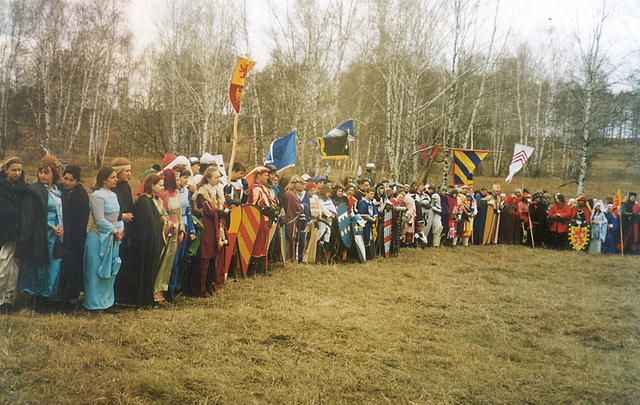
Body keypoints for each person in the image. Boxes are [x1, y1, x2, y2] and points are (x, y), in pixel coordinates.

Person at [17, 156, 65, 301]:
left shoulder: (56, 190)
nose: (42, 176)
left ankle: (48, 295)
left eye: (46, 173)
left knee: (54, 264)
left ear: (54, 175)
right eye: (41, 172)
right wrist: (50, 227)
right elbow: (30, 217)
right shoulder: (34, 191)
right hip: (42, 233)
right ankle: (36, 296)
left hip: (57, 233)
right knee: (40, 264)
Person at [121, 174, 165, 306]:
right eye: (160, 185)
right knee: (143, 271)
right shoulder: (144, 201)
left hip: (151, 243)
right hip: (144, 244)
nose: (162, 188)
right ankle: (141, 299)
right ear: (152, 185)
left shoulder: (151, 201)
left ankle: (147, 298)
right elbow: (143, 225)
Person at [83, 167, 123, 313]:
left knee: (110, 269)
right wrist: (114, 230)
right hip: (99, 238)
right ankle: (94, 304)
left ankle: (106, 302)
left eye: (116, 177)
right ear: (104, 179)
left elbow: (117, 216)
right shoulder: (97, 196)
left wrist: (120, 229)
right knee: (95, 270)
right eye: (113, 177)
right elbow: (99, 219)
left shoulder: (114, 195)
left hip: (112, 237)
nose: (116, 180)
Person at [191, 166, 226, 296]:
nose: (218, 179)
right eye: (216, 177)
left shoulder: (216, 190)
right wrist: (221, 212)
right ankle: (200, 287)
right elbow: (209, 211)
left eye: (218, 177)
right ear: (208, 178)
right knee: (205, 255)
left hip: (215, 225)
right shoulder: (202, 192)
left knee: (213, 255)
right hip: (206, 226)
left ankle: (210, 284)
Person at [57, 166, 90, 302]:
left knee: (74, 265)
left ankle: (73, 295)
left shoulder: (81, 195)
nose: (67, 182)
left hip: (76, 236)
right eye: (65, 178)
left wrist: (73, 237)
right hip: (60, 232)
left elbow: (82, 219)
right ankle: (59, 294)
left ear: (77, 181)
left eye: (71, 180)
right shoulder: (59, 190)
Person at [0, 157, 26, 312]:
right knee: (3, 267)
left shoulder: (23, 189)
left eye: (19, 170)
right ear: (6, 170)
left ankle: (8, 301)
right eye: (13, 170)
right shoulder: (2, 187)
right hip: (3, 232)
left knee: (13, 269)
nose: (17, 173)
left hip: (17, 233)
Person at [167, 167, 196, 300]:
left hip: (185, 226)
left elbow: (188, 211)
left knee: (180, 259)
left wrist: (192, 229)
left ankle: (175, 287)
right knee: (173, 260)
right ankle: (168, 289)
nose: (186, 181)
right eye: (184, 178)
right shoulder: (171, 193)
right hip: (174, 227)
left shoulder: (186, 192)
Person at [153, 169, 182, 303]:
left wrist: (181, 229)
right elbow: (162, 214)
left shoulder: (176, 192)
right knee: (163, 258)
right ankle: (157, 288)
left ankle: (165, 288)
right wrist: (170, 226)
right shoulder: (163, 194)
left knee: (171, 260)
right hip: (167, 228)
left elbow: (179, 213)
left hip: (176, 228)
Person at [247, 166, 277, 272]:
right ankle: (253, 270)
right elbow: (253, 206)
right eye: (265, 175)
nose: (267, 177)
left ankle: (262, 269)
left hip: (267, 219)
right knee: (258, 244)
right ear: (258, 176)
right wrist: (265, 209)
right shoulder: (254, 188)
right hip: (259, 220)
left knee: (264, 244)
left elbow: (270, 201)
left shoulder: (264, 188)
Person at [283, 176, 304, 262]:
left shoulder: (291, 193)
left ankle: (290, 258)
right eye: (299, 183)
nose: (301, 185)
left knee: (291, 239)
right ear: (294, 184)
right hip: (291, 219)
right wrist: (302, 207)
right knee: (290, 239)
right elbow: (296, 208)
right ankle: (289, 258)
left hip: (291, 219)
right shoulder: (290, 194)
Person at [317, 185, 337, 262]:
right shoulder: (319, 200)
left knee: (327, 235)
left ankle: (324, 257)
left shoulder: (329, 200)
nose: (329, 194)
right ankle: (317, 256)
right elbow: (323, 209)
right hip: (322, 220)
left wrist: (334, 213)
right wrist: (330, 214)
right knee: (320, 235)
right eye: (328, 192)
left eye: (330, 192)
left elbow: (333, 208)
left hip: (329, 220)